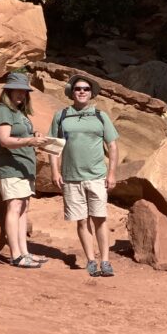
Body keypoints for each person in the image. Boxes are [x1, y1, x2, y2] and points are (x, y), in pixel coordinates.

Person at [49, 73, 119, 277]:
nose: (81, 91)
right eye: (78, 88)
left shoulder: (100, 116)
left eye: (86, 89)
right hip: (71, 177)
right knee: (81, 220)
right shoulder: (61, 116)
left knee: (100, 218)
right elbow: (54, 145)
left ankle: (105, 261)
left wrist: (112, 173)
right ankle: (90, 260)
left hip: (96, 175)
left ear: (91, 93)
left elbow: (112, 146)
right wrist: (54, 171)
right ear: (72, 92)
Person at [0, 71, 45, 269]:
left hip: (24, 167)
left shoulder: (18, 112)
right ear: (9, 91)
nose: (22, 95)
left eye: (24, 91)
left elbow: (20, 134)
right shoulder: (3, 110)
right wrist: (31, 140)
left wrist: (34, 134)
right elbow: (4, 140)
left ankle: (25, 252)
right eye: (18, 91)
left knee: (23, 208)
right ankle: (16, 254)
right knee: (14, 207)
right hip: (10, 166)